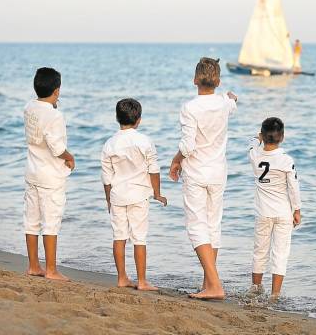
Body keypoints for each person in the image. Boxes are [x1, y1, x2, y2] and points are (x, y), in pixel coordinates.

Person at [169, 57, 237, 300]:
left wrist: (176, 160)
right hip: (218, 172)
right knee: (213, 225)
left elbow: (187, 146)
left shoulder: (190, 108)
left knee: (197, 226)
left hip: (197, 172)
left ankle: (215, 285)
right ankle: (209, 284)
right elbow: (232, 102)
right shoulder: (224, 104)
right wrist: (231, 97)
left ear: (195, 80)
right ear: (217, 81)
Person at [101, 98, 167, 290]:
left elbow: (107, 177)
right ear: (138, 119)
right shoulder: (144, 141)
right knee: (139, 238)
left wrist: (108, 200)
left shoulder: (110, 144)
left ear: (116, 118)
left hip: (117, 195)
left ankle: (122, 278)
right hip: (139, 196)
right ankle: (142, 281)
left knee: (119, 237)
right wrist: (157, 193)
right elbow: (154, 169)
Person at [23, 67, 75, 281]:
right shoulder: (55, 115)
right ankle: (51, 269)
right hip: (50, 176)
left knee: (31, 220)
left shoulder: (29, 107)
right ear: (57, 90)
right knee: (51, 221)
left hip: (32, 172)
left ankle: (34, 266)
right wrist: (69, 157)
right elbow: (56, 147)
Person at [246, 117, 301, 301]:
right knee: (280, 253)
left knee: (259, 250)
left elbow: (252, 142)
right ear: (282, 137)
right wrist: (297, 210)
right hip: (283, 213)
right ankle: (275, 294)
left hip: (263, 213)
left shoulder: (254, 155)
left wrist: (257, 138)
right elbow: (293, 187)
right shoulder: (286, 160)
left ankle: (255, 287)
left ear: (262, 135)